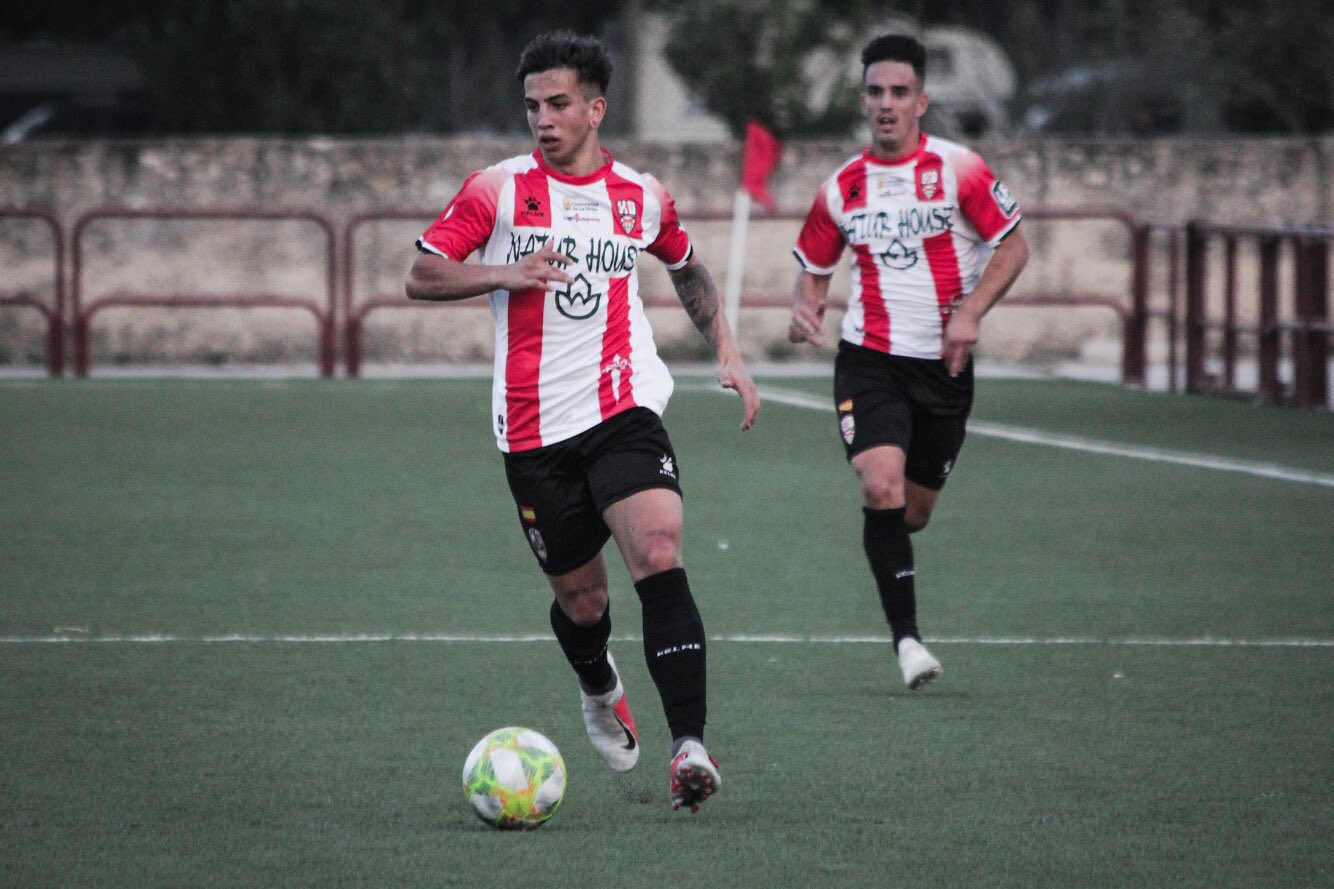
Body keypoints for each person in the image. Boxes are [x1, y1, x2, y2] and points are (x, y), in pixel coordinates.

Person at [405, 30, 760, 813]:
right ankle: (598, 682)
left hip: (622, 407)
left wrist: (728, 349)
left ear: (596, 109)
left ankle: (689, 747)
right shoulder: (495, 190)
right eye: (532, 104)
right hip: (532, 431)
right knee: (584, 601)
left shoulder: (639, 195)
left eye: (559, 103)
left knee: (660, 548)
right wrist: (507, 270)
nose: (543, 117)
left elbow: (686, 262)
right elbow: (421, 273)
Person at [787, 33, 1028, 690]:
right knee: (880, 485)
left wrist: (971, 312)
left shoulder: (960, 169)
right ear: (863, 100)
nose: (886, 104)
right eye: (875, 92)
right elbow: (814, 270)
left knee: (912, 512)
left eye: (899, 92)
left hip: (943, 371)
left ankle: (896, 573)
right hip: (870, 362)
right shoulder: (841, 188)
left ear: (921, 101)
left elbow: (1012, 248)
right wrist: (807, 308)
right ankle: (908, 642)